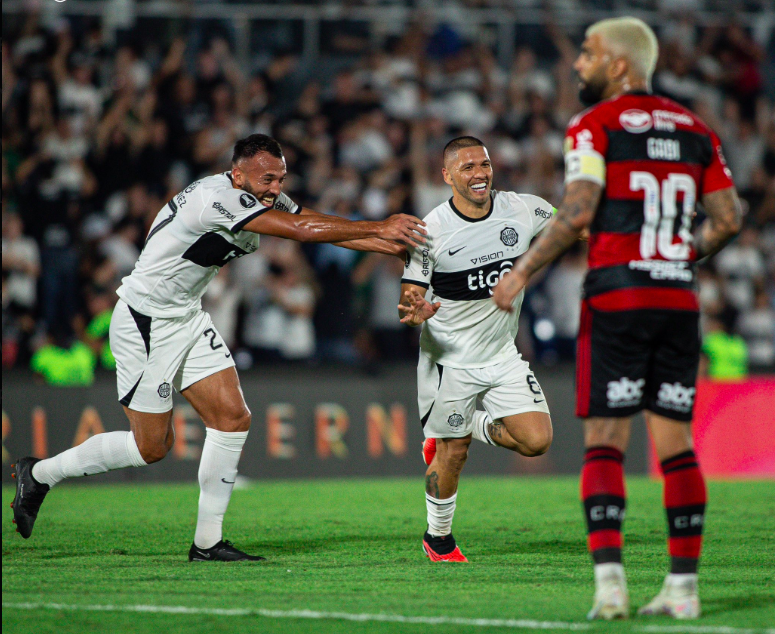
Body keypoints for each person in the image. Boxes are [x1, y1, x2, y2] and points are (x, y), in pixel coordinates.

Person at [11, 133, 424, 561]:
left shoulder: (255, 194)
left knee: (232, 418)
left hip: (186, 316)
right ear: (237, 172)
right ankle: (40, 474)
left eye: (281, 179)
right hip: (145, 321)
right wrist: (379, 225)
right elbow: (301, 231)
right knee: (150, 448)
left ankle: (208, 543)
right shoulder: (218, 199)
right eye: (268, 179)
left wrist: (391, 245)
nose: (276, 190)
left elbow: (316, 224)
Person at [492, 17, 742, 620]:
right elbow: (729, 218)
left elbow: (578, 210)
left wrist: (522, 272)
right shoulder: (695, 128)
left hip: (617, 295)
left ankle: (610, 588)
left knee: (605, 441)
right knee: (676, 446)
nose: (578, 64)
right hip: (678, 298)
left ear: (620, 66)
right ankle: (683, 591)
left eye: (588, 53)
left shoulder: (593, 125)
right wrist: (678, 254)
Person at [399, 136, 555, 563]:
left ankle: (473, 425)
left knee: (537, 440)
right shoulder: (430, 232)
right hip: (451, 361)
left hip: (502, 354)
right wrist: (415, 310)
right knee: (453, 454)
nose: (479, 173)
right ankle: (439, 538)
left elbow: (571, 226)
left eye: (483, 164)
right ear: (447, 177)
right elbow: (411, 295)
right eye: (466, 168)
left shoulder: (521, 209)